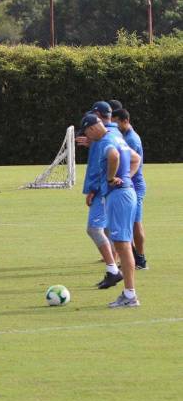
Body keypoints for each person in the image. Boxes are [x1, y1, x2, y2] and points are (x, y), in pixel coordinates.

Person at [80, 114, 141, 307]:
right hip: (126, 193)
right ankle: (129, 293)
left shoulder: (107, 142)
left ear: (92, 128)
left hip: (118, 196)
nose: (88, 137)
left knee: (123, 247)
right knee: (123, 246)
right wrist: (127, 177)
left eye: (87, 133)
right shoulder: (117, 137)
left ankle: (130, 296)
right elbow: (135, 158)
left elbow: (113, 155)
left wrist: (110, 178)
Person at [113, 108, 148, 270]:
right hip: (128, 185)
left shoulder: (132, 139)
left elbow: (135, 162)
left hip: (135, 186)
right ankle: (132, 256)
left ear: (124, 121)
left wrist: (124, 178)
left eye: (116, 122)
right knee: (127, 223)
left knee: (135, 223)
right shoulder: (124, 136)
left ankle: (141, 260)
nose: (113, 125)